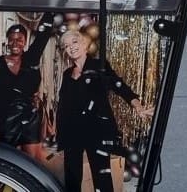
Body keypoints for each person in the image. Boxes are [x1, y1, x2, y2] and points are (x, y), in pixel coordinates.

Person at [55, 28, 151, 192]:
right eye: (66, 45)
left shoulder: (98, 66)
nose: (71, 47)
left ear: (84, 44)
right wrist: (59, 131)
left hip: (96, 131)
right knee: (72, 180)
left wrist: (138, 106)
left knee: (102, 179)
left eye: (74, 42)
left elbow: (119, 85)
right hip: (72, 133)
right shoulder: (66, 74)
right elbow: (64, 105)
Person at [0, 21, 54, 161]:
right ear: (7, 41)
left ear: (25, 41)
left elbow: (43, 36)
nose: (15, 43)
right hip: (6, 118)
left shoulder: (31, 58)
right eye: (11, 39)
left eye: (19, 39)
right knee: (8, 162)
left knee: (33, 163)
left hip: (30, 116)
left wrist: (51, 12)